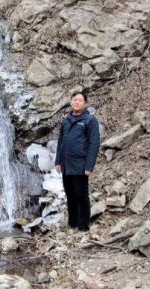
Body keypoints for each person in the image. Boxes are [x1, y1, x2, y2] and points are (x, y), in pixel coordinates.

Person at [54, 91, 101, 231]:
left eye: (80, 100)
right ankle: (72, 222)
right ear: (70, 102)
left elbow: (94, 144)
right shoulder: (66, 120)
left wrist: (89, 165)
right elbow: (61, 141)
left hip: (81, 164)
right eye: (74, 100)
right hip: (67, 164)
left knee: (81, 194)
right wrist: (58, 161)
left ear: (86, 103)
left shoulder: (90, 120)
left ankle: (83, 225)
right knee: (70, 193)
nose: (77, 102)